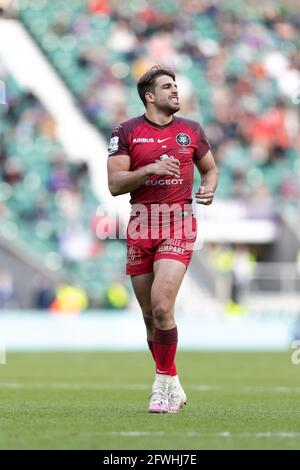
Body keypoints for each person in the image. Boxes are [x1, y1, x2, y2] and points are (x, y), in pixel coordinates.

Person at [107, 65, 219, 413]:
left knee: (161, 306)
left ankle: (159, 387)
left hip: (178, 222)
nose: (176, 91)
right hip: (142, 224)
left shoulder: (192, 130)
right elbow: (114, 185)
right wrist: (149, 170)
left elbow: (211, 169)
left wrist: (208, 188)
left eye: (176, 86)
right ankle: (172, 380)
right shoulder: (126, 131)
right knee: (148, 317)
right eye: (168, 86)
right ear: (150, 96)